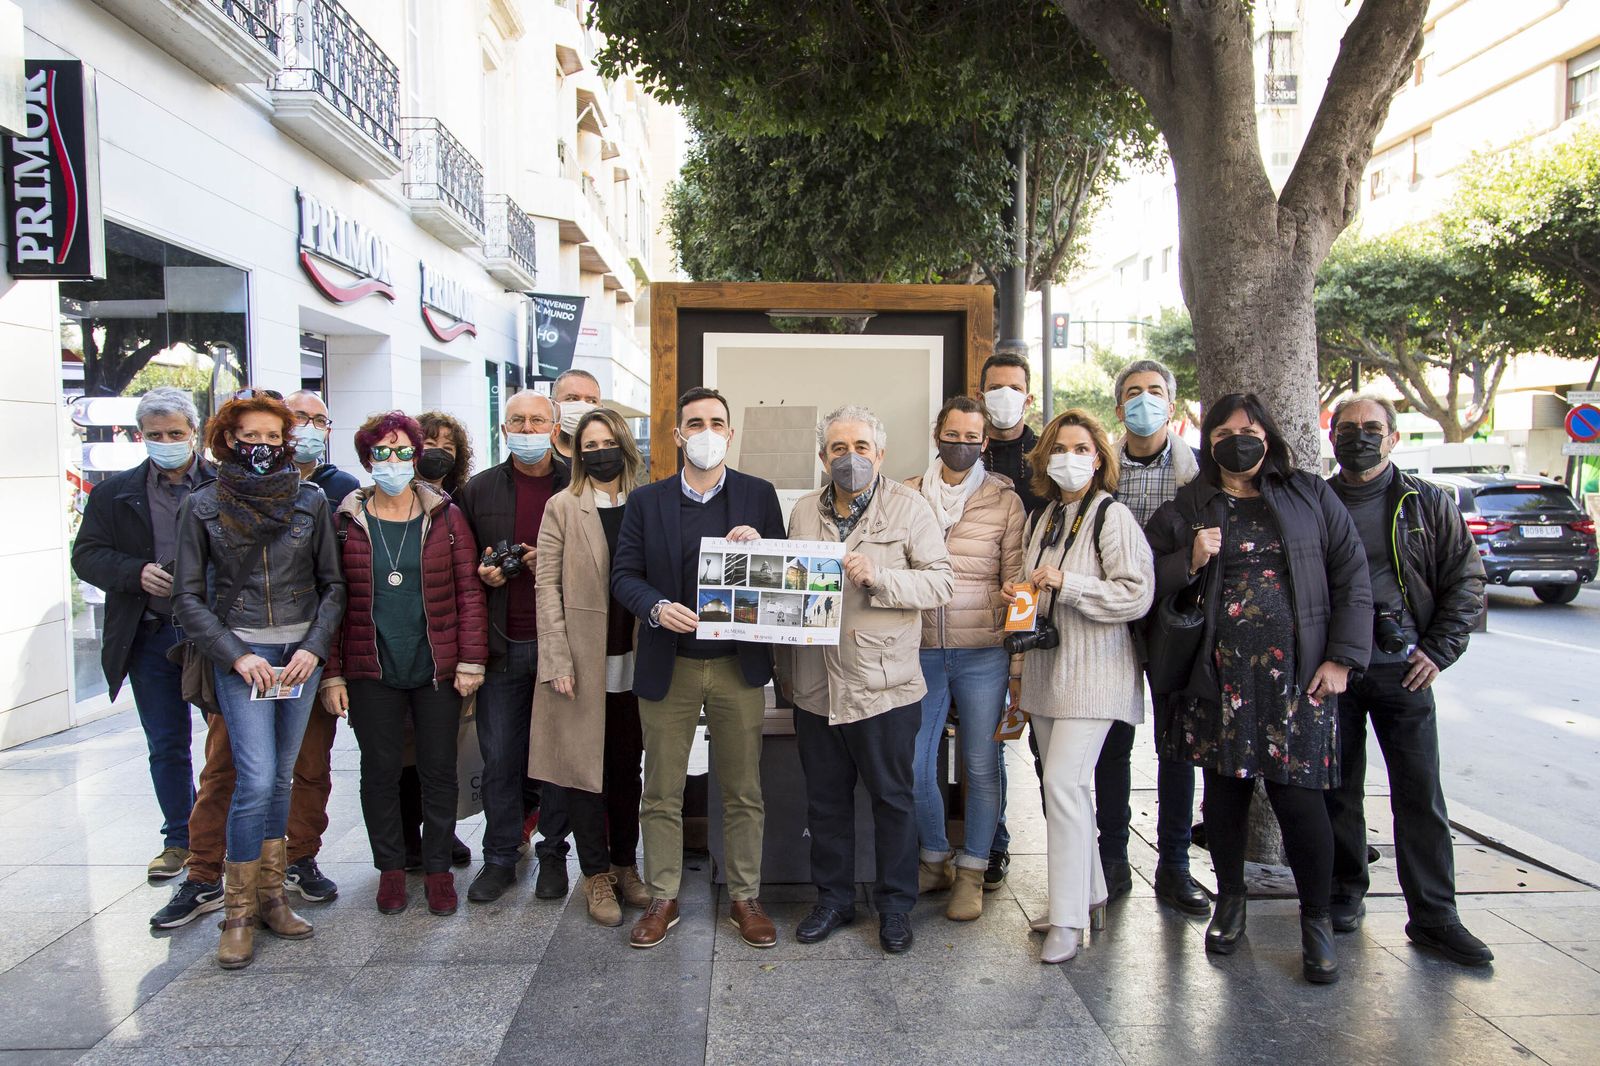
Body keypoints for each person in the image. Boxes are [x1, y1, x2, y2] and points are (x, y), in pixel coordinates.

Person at [1145, 393, 1371, 985]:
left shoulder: (1309, 494)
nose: (1236, 440)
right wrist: (1189, 560)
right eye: (1223, 431)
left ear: (1267, 436)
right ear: (1208, 441)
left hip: (1298, 677)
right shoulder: (1189, 504)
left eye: (1248, 430)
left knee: (1301, 801)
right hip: (1218, 676)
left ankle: (1316, 921)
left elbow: (1351, 575)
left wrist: (1344, 658)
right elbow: (1146, 578)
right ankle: (1231, 901)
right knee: (1223, 798)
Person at [171, 391, 346, 970]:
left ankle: (272, 898)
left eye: (275, 437)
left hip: (297, 658)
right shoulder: (201, 505)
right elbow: (188, 597)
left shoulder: (310, 500)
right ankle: (238, 911)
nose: (264, 447)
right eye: (253, 436)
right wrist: (234, 655)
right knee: (254, 777)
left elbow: (332, 585)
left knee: (282, 781)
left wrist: (315, 650)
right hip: (243, 657)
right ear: (229, 438)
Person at [611, 386, 786, 949]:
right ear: (678, 433)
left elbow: (788, 575)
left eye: (716, 422)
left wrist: (762, 549)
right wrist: (657, 608)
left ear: (730, 433)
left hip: (738, 666)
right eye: (695, 422)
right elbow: (624, 577)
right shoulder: (647, 500)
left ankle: (744, 896)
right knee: (660, 790)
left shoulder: (759, 496)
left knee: (743, 789)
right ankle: (664, 896)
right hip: (671, 664)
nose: (706, 431)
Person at [1324, 395, 1493, 966]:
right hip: (1337, 671)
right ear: (1332, 436)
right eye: (1348, 428)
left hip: (1405, 673)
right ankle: (1345, 892)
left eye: (1372, 428)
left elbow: (1467, 579)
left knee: (1419, 796)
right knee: (1338, 792)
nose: (1360, 437)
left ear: (1393, 438)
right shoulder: (1317, 500)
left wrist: (1439, 651)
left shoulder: (1425, 502)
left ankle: (1435, 916)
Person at [780, 405, 954, 954]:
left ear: (879, 453)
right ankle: (833, 899)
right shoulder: (804, 511)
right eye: (837, 448)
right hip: (815, 685)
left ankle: (896, 907)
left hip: (884, 685)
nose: (848, 457)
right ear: (822, 455)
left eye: (860, 447)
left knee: (893, 801)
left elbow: (942, 585)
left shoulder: (912, 508)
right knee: (826, 803)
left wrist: (881, 578)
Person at [318, 412, 485, 917]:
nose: (393, 462)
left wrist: (472, 660)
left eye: (402, 452)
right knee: (381, 771)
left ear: (415, 457)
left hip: (436, 665)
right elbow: (330, 599)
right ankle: (391, 869)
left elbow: (469, 593)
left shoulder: (446, 516)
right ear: (367, 458)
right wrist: (332, 672)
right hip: (371, 668)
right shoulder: (345, 520)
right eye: (382, 452)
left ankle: (437, 870)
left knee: (438, 771)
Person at [1005, 410, 1154, 964]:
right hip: (1047, 672)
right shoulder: (1041, 518)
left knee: (1063, 786)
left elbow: (1135, 594)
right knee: (1067, 789)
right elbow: (1035, 585)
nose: (1069, 457)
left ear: (1099, 457)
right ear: (1044, 457)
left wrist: (1067, 584)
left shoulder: (1112, 517)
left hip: (1094, 676)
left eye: (1081, 447)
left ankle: (1067, 918)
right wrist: (1020, 596)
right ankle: (1087, 891)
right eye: (1059, 447)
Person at [71, 387, 214, 882]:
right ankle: (180, 838)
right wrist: (135, 572)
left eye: (175, 433)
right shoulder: (115, 493)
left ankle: (226, 836)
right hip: (151, 634)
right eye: (155, 435)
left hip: (214, 637)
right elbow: (86, 554)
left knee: (229, 742)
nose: (166, 442)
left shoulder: (223, 485)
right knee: (166, 741)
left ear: (194, 432)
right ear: (140, 437)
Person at [1094, 360, 1209, 916]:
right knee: (1113, 745)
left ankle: (1176, 865)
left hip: (1174, 622)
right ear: (1119, 409)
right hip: (1112, 623)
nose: (1145, 401)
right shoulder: (1102, 468)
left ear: (1172, 402)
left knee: (1176, 746)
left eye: (1156, 392)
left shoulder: (1198, 474)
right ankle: (1112, 859)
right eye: (1134, 393)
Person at [905, 395, 1023, 921]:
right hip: (922, 649)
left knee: (980, 764)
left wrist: (1016, 658)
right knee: (914, 763)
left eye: (971, 438)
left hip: (984, 653)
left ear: (985, 442)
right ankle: (934, 858)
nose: (961, 445)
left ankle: (973, 870)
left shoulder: (1005, 501)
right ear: (937, 435)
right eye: (952, 435)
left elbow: (1018, 583)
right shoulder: (906, 495)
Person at [531, 409, 650, 926]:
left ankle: (626, 865)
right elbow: (546, 586)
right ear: (578, 453)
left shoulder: (649, 501)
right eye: (589, 444)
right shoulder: (563, 506)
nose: (599, 451)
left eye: (607, 441)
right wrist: (556, 656)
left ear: (623, 445)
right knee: (583, 772)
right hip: (581, 660)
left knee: (627, 767)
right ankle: (595, 874)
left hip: (639, 656)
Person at [455, 391, 572, 903]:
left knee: (558, 759)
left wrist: (549, 562)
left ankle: (553, 855)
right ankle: (500, 857)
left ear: (556, 425)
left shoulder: (579, 482)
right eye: (518, 421)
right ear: (504, 429)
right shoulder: (477, 491)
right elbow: (458, 573)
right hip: (502, 646)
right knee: (500, 757)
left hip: (562, 645)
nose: (528, 428)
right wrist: (483, 575)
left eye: (538, 420)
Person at [278, 388, 359, 902]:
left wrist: (330, 662)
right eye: (296, 418)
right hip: (243, 651)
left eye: (318, 420)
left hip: (313, 644)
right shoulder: (225, 491)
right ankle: (215, 870)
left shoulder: (340, 489)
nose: (306, 428)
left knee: (311, 763)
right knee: (233, 766)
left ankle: (299, 856)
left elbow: (340, 581)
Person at [976, 346, 1042, 893]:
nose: (1003, 396)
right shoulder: (967, 451)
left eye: (1012, 386)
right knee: (987, 739)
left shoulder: (1046, 456)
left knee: (1042, 745)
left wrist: (1021, 634)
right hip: (972, 618)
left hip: (1036, 608)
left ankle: (1076, 858)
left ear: (1028, 394)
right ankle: (992, 842)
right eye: (994, 386)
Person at [406, 409, 477, 869]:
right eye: (427, 444)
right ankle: (407, 840)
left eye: (447, 448)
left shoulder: (462, 503)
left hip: (447, 647)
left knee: (442, 753)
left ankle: (441, 833)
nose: (435, 454)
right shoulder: (378, 500)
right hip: (397, 647)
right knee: (401, 754)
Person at [287, 390, 360, 505]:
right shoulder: (263, 479)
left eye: (320, 420)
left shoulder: (346, 485)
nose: (310, 426)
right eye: (300, 417)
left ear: (327, 432)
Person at [416, 410, 475, 497]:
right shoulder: (395, 496)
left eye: (447, 448)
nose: (439, 451)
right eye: (430, 444)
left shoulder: (464, 499)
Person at [550, 368, 603, 462]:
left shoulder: (626, 457)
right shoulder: (536, 456)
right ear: (553, 406)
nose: (582, 406)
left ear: (601, 408)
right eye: (572, 399)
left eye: (591, 401)